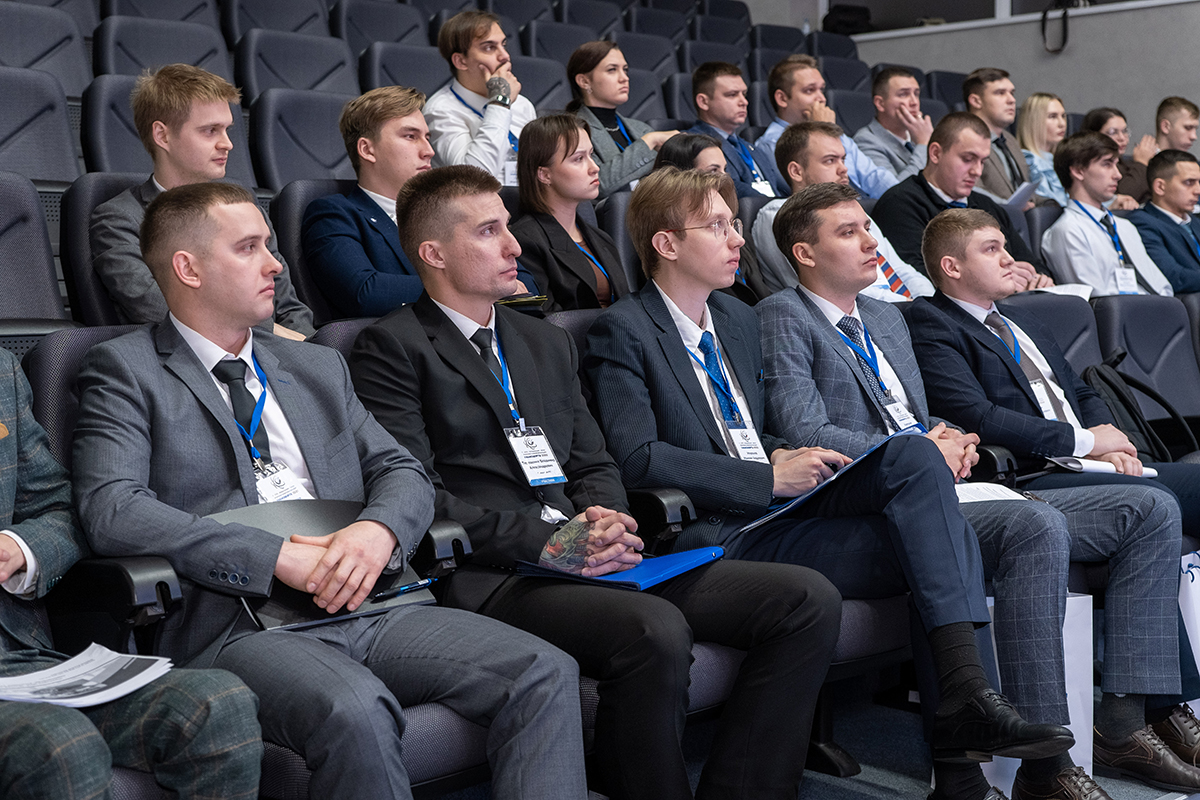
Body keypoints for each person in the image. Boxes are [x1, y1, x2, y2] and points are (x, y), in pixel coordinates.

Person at [73, 181, 589, 800]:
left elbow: (401, 470)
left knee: (543, 670)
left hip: (371, 600)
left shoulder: (315, 364)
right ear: (188, 269)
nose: (275, 264)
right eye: (249, 248)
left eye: (270, 245)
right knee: (357, 708)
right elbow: (112, 508)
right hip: (240, 623)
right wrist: (273, 557)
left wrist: (377, 531)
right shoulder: (126, 369)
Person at [348, 164, 843, 800]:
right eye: (489, 231)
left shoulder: (543, 340)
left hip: (592, 552)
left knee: (804, 599)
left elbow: (593, 461)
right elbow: (419, 493)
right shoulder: (391, 347)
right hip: (499, 572)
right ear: (434, 254)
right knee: (652, 629)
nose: (514, 245)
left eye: (508, 227)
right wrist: (551, 544)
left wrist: (606, 518)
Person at [583, 166, 1076, 785]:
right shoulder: (625, 329)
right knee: (937, 528)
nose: (737, 238)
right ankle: (962, 740)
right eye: (717, 226)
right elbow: (638, 458)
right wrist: (766, 476)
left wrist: (784, 457)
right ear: (667, 244)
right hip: (714, 531)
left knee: (919, 479)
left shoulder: (734, 319)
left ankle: (964, 728)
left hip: (783, 512)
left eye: (735, 223)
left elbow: (750, 428)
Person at [758, 182, 1194, 800]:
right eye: (849, 232)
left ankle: (1122, 723)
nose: (871, 241)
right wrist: (919, 448)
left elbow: (920, 415)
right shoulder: (783, 314)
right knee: (1036, 525)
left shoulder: (884, 316)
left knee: (1148, 509)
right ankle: (1050, 765)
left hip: (937, 483)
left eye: (868, 227)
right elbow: (806, 431)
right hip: (867, 497)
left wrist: (951, 439)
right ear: (804, 253)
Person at [904, 207, 1200, 791]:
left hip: (1087, 464)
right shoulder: (931, 324)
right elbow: (977, 416)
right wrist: (1086, 444)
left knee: (1169, 495)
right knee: (1152, 506)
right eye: (991, 249)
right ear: (951, 266)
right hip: (1030, 475)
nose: (1010, 258)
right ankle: (1139, 715)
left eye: (1005, 245)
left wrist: (1113, 444)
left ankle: (1154, 706)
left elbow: (1082, 391)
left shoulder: (1022, 320)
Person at [0, 348, 263, 800]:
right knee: (57, 744)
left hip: (16, 657)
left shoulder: (1, 371)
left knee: (217, 704)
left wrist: (20, 548)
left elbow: (59, 507)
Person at [90, 64, 314, 339]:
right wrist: (274, 334)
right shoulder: (119, 219)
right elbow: (159, 310)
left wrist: (308, 348)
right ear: (162, 135)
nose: (227, 143)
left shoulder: (243, 204)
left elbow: (289, 306)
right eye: (210, 131)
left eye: (227, 130)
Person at [755, 120, 934, 300]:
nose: (844, 169)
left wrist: (927, 301)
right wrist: (910, 305)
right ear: (796, 171)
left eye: (843, 159)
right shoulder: (778, 215)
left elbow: (902, 270)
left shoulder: (855, 212)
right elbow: (832, 291)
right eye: (830, 160)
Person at [871, 112, 1053, 285]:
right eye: (968, 159)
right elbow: (920, 278)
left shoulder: (987, 206)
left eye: (982, 161)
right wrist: (1000, 278)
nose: (977, 171)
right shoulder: (899, 205)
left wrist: (1038, 279)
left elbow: (1035, 265)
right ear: (935, 153)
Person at [301, 86, 431, 318]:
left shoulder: (442, 214)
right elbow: (365, 292)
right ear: (367, 149)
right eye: (411, 136)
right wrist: (464, 286)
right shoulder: (334, 214)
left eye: (427, 138)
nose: (429, 151)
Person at [510, 114, 630, 311]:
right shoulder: (524, 242)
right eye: (579, 159)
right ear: (544, 174)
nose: (594, 168)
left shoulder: (601, 238)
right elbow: (545, 320)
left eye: (591, 155)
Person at [1042, 131, 1173, 295]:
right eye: (1107, 164)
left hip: (1151, 306)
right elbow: (1096, 300)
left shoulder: (1125, 226)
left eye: (1116, 164)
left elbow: (1162, 286)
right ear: (1078, 171)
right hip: (1122, 309)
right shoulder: (1068, 231)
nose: (1118, 175)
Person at [754, 54, 899, 199]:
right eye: (809, 90)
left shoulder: (836, 133)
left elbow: (874, 176)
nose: (822, 98)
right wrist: (821, 128)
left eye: (821, 90)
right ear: (782, 98)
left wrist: (900, 198)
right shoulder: (770, 144)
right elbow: (814, 191)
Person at [652, 134, 773, 303]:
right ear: (680, 177)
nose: (726, 179)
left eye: (725, 170)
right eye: (713, 171)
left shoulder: (736, 229)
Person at [423, 10, 536, 184]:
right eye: (489, 47)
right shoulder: (440, 111)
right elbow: (474, 178)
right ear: (461, 61)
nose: (505, 56)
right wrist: (500, 103)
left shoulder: (521, 104)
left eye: (503, 45)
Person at [566, 40, 678, 198]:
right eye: (612, 70)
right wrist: (648, 142)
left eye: (625, 70)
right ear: (584, 81)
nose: (624, 78)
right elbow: (597, 185)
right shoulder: (573, 130)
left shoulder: (642, 129)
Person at [683, 61, 779, 198]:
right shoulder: (691, 146)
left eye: (744, 94)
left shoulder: (754, 150)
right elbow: (727, 190)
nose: (744, 102)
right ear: (703, 102)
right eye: (732, 94)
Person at [1129, 149, 1200, 293]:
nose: (1198, 190)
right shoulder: (1142, 223)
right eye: (1189, 182)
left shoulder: (1195, 221)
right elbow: (1173, 277)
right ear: (1160, 187)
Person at [852, 65, 934, 181]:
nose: (914, 102)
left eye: (916, 94)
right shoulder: (866, 141)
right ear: (880, 103)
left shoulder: (921, 135)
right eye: (903, 94)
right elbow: (893, 190)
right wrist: (923, 145)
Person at [963, 67, 1032, 204]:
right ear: (976, 101)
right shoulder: (963, 137)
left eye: (1012, 93)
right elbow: (971, 191)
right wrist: (1010, 207)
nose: (1011, 100)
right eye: (1000, 93)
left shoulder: (1010, 139)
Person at [1082, 107, 1155, 204]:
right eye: (1113, 132)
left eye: (1124, 131)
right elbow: (1124, 196)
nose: (1122, 138)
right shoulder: (1092, 166)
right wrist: (1141, 163)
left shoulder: (1127, 164)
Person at [1017, 92, 1070, 207]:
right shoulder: (1027, 161)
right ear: (1033, 121)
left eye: (1063, 116)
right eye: (1052, 116)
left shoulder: (1062, 161)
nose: (1062, 124)